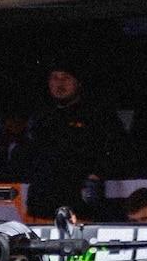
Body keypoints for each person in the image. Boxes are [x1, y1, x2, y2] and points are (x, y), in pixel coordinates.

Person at [25, 64, 102, 219]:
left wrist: (96, 174)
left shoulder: (95, 114)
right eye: (55, 78)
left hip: (79, 206)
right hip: (41, 205)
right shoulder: (40, 115)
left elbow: (114, 151)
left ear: (77, 82)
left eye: (66, 78)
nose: (60, 83)